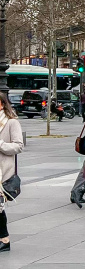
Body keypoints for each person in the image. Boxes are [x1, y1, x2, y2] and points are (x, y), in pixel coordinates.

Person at [0, 92, 23, 252]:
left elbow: (18, 146)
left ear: (1, 104)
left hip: (2, 172)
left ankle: (4, 238)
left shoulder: (11, 122)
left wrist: (0, 144)